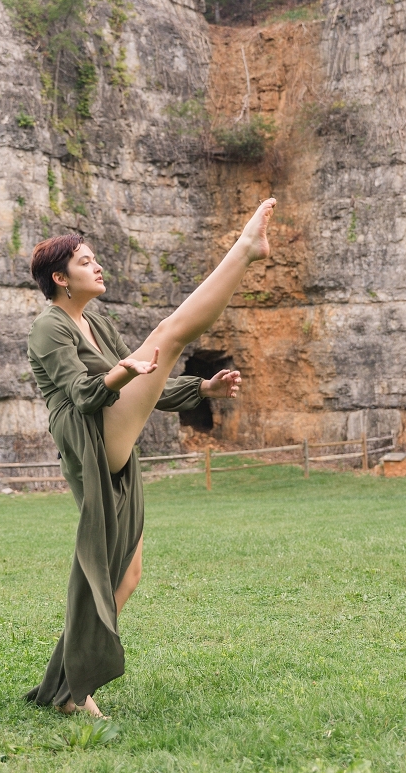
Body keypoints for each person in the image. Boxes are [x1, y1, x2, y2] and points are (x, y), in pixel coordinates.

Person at [24, 197, 276, 716]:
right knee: (170, 331)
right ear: (59, 279)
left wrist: (202, 388)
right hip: (88, 435)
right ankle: (246, 249)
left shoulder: (100, 323)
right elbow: (83, 394)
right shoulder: (51, 326)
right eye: (84, 261)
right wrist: (127, 371)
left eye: (94, 258)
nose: (97, 266)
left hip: (112, 428)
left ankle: (68, 685)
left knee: (128, 575)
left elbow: (149, 382)